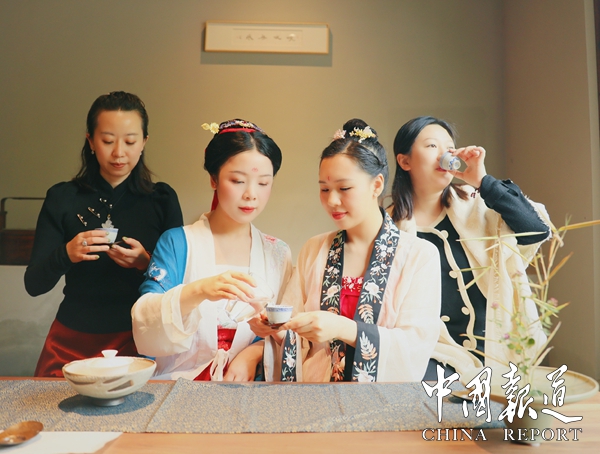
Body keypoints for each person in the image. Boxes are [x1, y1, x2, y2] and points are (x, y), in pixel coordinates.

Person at [258, 119, 441, 382]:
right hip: (316, 396)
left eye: (344, 188)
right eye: (324, 189)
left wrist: (345, 329)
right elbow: (294, 335)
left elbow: (415, 346)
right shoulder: (314, 249)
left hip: (383, 401)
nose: (332, 200)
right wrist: (271, 327)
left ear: (377, 185)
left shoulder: (419, 255)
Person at [25, 91, 183, 377]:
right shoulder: (62, 197)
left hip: (139, 342)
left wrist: (145, 264)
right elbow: (34, 283)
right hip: (71, 342)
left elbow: (180, 287)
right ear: (90, 141)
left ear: (144, 142)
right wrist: (67, 253)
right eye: (108, 141)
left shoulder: (161, 199)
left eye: (130, 142)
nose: (119, 152)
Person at [388, 116, 551, 380]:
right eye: (432, 146)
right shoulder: (389, 229)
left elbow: (535, 230)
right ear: (405, 161)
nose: (444, 154)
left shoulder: (477, 204)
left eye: (449, 147)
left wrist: (483, 181)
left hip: (497, 350)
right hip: (435, 358)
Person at [131, 119, 292, 381]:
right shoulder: (178, 242)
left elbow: (290, 330)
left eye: (263, 183)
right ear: (214, 179)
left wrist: (253, 354)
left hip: (250, 385)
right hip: (181, 382)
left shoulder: (278, 253)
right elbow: (145, 323)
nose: (251, 194)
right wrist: (199, 290)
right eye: (238, 180)